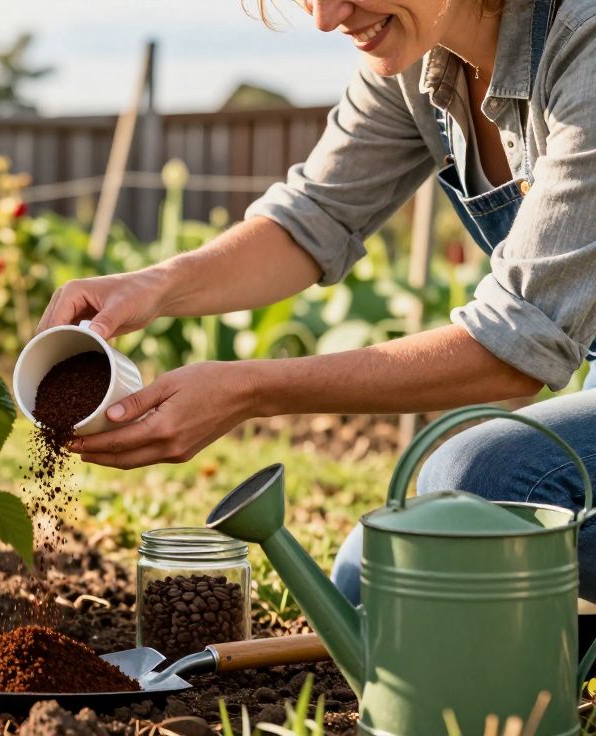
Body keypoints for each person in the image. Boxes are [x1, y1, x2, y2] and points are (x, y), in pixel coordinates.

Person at [36, 0, 596, 604]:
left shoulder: (582, 47)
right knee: (373, 578)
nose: (327, 18)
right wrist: (156, 284)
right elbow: (315, 216)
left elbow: (512, 350)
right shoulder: (420, 56)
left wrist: (251, 389)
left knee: (481, 477)